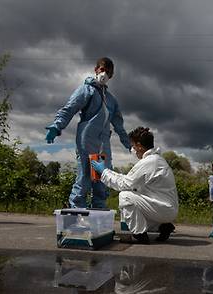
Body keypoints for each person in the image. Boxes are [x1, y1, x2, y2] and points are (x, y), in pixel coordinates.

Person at [45, 57, 131, 208]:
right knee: (84, 176)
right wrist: (56, 126)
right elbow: (70, 108)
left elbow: (119, 125)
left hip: (103, 144)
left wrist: (128, 143)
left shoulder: (111, 100)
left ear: (111, 76)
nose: (104, 73)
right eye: (102, 69)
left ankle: (98, 210)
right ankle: (76, 208)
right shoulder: (87, 90)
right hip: (87, 140)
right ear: (96, 70)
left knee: (100, 178)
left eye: (108, 72)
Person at [91, 127, 178, 244]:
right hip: (165, 208)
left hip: (163, 209)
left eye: (133, 146)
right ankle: (163, 227)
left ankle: (140, 234)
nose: (133, 149)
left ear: (139, 145)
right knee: (135, 203)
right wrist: (107, 171)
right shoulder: (156, 160)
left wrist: (103, 172)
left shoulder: (149, 162)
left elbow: (124, 184)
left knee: (125, 196)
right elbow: (128, 180)